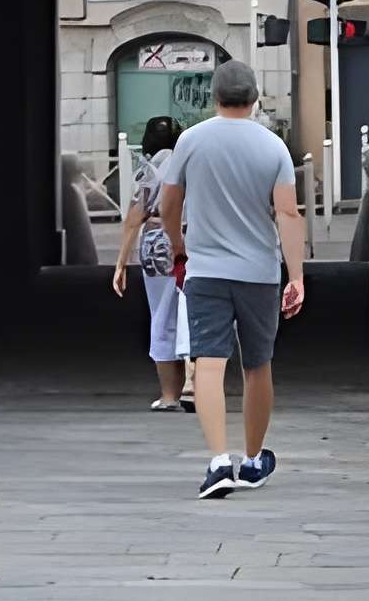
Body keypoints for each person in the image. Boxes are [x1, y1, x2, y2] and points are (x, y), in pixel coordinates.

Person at [156, 59, 306, 500]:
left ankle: (219, 460)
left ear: (214, 97)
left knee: (208, 362)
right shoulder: (273, 146)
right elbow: (288, 213)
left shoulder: (191, 141)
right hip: (259, 273)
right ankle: (254, 459)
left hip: (206, 271)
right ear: (255, 98)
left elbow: (169, 205)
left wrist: (177, 244)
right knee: (257, 365)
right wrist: (294, 276)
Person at [108, 115, 190, 411]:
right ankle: (195, 384)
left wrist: (121, 263)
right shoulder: (191, 164)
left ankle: (170, 395)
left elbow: (134, 218)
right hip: (193, 239)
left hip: (158, 242)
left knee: (163, 314)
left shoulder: (150, 169)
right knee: (193, 310)